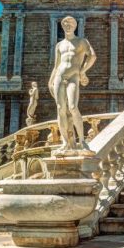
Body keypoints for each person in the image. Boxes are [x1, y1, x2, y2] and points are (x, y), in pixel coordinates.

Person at [48, 16, 96, 152]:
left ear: (75, 26)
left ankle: (82, 141)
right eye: (65, 24)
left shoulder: (81, 41)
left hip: (73, 77)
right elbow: (56, 66)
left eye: (71, 24)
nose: (68, 26)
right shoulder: (59, 45)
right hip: (58, 77)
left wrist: (82, 71)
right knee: (60, 109)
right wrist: (50, 81)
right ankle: (65, 143)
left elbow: (92, 56)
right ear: (62, 26)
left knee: (73, 107)